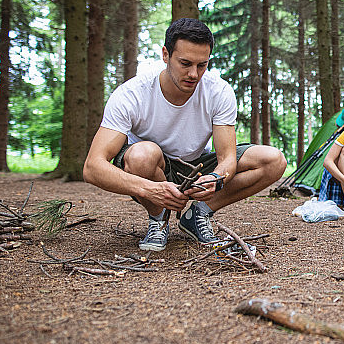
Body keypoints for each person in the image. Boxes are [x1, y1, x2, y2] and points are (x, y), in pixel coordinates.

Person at [83, 18, 287, 251]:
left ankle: (198, 214)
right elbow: (92, 167)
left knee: (273, 160)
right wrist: (151, 190)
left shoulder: (218, 91)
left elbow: (227, 159)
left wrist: (216, 178)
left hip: (197, 167)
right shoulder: (132, 94)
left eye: (202, 65)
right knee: (142, 155)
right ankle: (159, 218)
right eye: (185, 63)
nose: (194, 74)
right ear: (165, 55)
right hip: (150, 170)